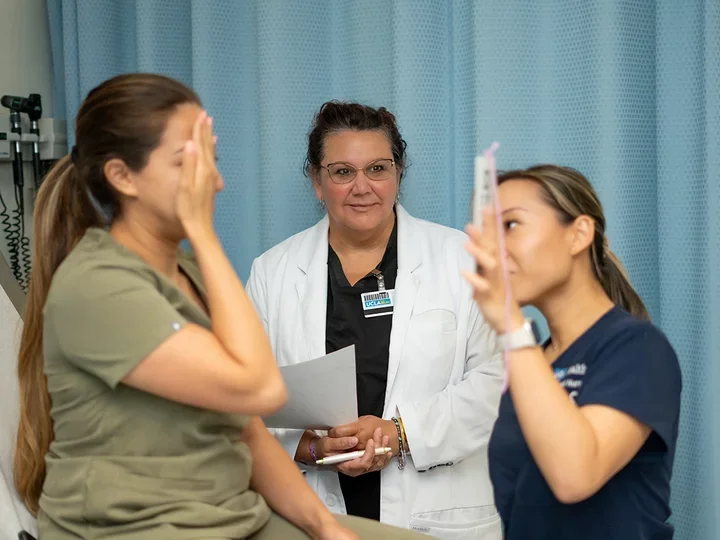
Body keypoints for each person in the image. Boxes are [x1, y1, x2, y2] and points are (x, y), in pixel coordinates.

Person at [13, 73, 426, 540]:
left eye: (211, 159)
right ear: (122, 176)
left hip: (230, 515)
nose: (216, 180)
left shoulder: (186, 272)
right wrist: (205, 232)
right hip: (137, 526)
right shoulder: (97, 286)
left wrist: (324, 527)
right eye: (188, 162)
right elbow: (260, 391)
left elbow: (247, 429)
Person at [246, 101, 504, 539]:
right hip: (314, 509)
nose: (362, 187)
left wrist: (400, 434)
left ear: (399, 173)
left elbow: (498, 381)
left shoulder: (461, 259)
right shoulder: (272, 272)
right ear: (316, 181)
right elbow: (244, 398)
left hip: (438, 511)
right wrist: (309, 448)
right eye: (342, 172)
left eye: (378, 169)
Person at [462, 165, 682, 539]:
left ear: (578, 234)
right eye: (488, 233)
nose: (493, 249)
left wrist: (511, 327)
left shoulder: (639, 348)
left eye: (511, 226)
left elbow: (574, 477)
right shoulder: (532, 361)